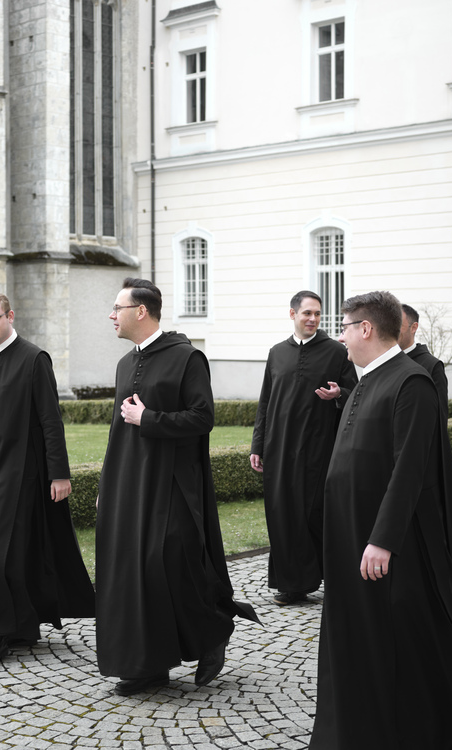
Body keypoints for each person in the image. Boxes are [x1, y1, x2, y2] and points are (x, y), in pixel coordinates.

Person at [309, 291, 452, 750]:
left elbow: (410, 469)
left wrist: (383, 539)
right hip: (350, 539)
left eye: (344, 327)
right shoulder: (363, 381)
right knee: (360, 640)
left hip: (391, 548)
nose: (340, 337)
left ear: (366, 328)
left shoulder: (411, 383)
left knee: (412, 643)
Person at [95, 277, 260, 696]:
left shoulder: (187, 358)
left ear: (141, 311)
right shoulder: (124, 364)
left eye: (117, 308)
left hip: (172, 484)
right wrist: (107, 485)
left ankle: (213, 630)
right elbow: (118, 432)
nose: (111, 316)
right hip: (130, 485)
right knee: (134, 574)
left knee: (166, 563)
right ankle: (148, 667)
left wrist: (149, 419)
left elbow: (203, 418)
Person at [0, 291, 94, 668]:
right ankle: (22, 626)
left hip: (23, 472)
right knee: (15, 552)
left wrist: (59, 473)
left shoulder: (34, 359)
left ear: (10, 316)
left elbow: (51, 421)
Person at [250, 291, 355, 606]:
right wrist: (258, 445)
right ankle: (293, 585)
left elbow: (356, 393)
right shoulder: (277, 352)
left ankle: (333, 579)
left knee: (317, 515)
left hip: (319, 448)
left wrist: (339, 393)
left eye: (317, 314)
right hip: (279, 448)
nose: (313, 319)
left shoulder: (336, 352)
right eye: (307, 313)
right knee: (283, 515)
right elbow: (265, 402)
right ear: (293, 314)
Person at [398, 303, 449, 424]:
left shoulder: (432, 366)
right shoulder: (382, 362)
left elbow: (439, 418)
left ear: (413, 327)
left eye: (397, 325)